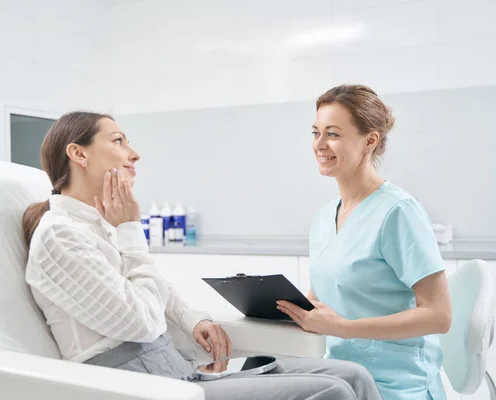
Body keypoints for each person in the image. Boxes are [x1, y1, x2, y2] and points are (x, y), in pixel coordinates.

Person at [22, 111, 382, 400]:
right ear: (78, 153)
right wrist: (131, 230)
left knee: (353, 375)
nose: (134, 154)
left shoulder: (99, 225)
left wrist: (192, 318)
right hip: (136, 385)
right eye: (118, 141)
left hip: (172, 367)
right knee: (331, 391)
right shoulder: (59, 234)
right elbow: (142, 322)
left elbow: (151, 288)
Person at [276, 84, 452, 400]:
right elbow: (323, 304)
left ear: (369, 141)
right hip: (339, 379)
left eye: (332, 134)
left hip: (396, 386)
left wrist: (344, 327)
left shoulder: (398, 212)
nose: (319, 144)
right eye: (315, 132)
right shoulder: (324, 218)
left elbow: (439, 315)